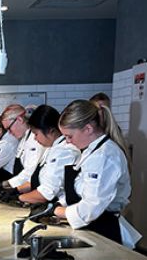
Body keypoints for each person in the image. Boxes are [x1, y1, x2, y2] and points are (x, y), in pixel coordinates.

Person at [53, 99, 141, 247]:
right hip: (90, 229)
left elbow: (91, 207)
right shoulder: (90, 151)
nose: (67, 142)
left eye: (69, 136)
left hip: (104, 232)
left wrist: (58, 211)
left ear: (88, 129)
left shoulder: (104, 156)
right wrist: (60, 203)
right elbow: (83, 189)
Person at [16, 105, 80, 205]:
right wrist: (16, 190)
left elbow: (46, 193)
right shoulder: (51, 147)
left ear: (51, 131)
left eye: (36, 134)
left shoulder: (65, 151)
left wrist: (19, 197)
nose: (35, 139)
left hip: (59, 207)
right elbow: (38, 181)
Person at [0, 104, 45, 201]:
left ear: (19, 120)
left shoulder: (35, 140)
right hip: (26, 189)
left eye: (9, 128)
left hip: (33, 192)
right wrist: (7, 184)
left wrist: (14, 189)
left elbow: (30, 173)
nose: (9, 133)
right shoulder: (23, 138)